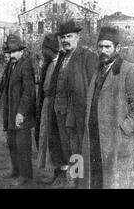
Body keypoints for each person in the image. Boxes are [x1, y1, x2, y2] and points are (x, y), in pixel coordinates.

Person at [80, 26, 134, 189]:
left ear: (117, 48)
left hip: (117, 143)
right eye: (100, 46)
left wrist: (123, 132)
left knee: (116, 183)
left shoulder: (129, 71)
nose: (103, 51)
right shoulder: (97, 71)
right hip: (95, 139)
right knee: (96, 181)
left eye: (108, 47)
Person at [48, 19, 98, 188]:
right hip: (59, 113)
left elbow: (94, 90)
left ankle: (79, 184)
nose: (65, 40)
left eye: (69, 36)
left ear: (78, 37)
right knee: (66, 149)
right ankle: (71, 181)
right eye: (62, 37)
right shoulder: (62, 57)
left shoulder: (88, 57)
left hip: (77, 114)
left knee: (77, 151)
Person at [0, 34, 36, 186]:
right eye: (10, 52)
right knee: (12, 143)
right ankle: (16, 171)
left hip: (21, 114)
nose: (11, 55)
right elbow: (5, 86)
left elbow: (29, 92)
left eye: (14, 52)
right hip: (10, 112)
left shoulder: (26, 65)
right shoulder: (11, 65)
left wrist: (21, 112)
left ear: (21, 51)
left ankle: (26, 176)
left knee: (23, 145)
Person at [35, 33, 63, 183]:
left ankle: (62, 177)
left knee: (57, 140)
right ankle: (55, 175)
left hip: (55, 106)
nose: (42, 52)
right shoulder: (48, 63)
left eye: (43, 49)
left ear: (50, 50)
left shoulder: (60, 63)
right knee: (46, 138)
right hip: (46, 104)